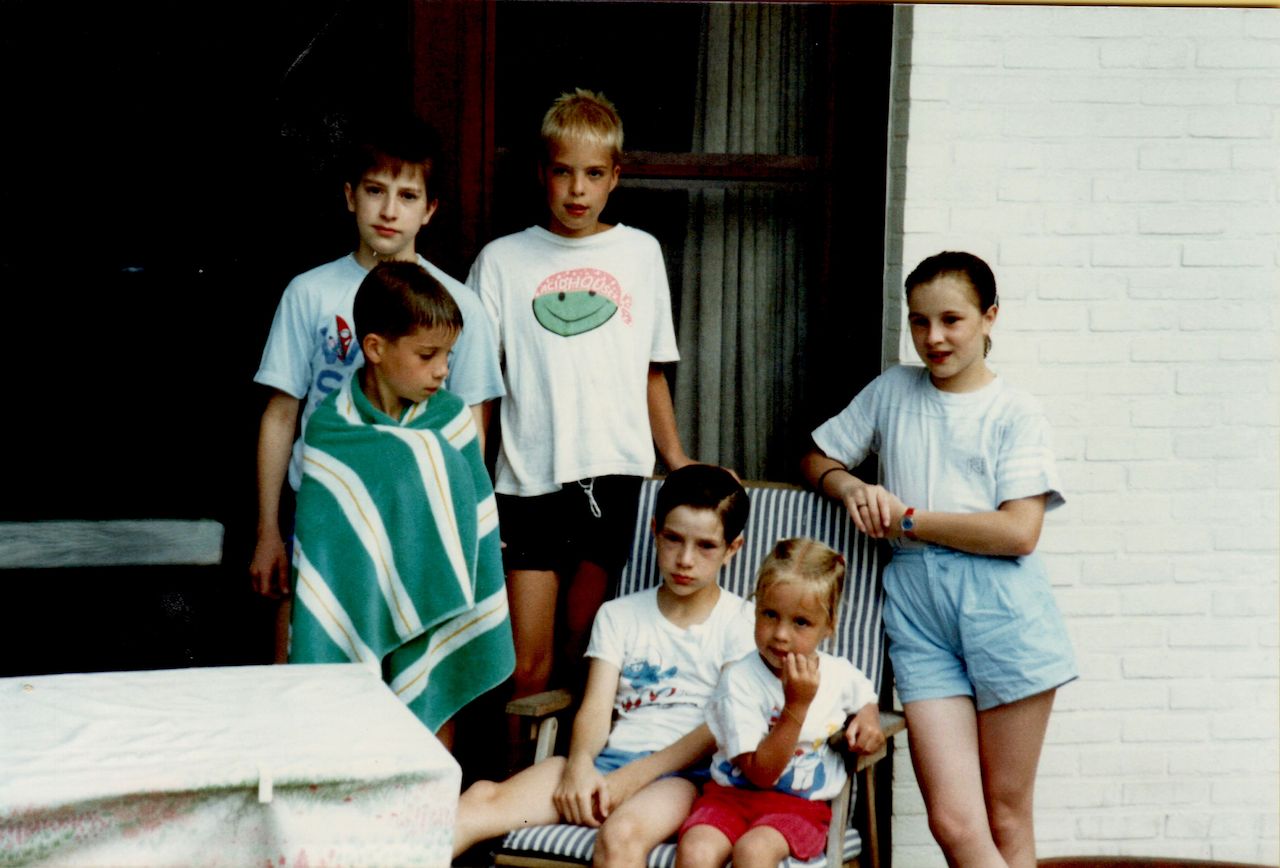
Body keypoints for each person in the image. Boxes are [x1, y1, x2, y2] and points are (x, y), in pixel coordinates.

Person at [801, 251, 1077, 868]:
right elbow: (817, 457)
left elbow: (1019, 531)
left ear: (990, 317)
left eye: (951, 319)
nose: (934, 337)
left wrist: (909, 520)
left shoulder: (1015, 411)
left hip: (1003, 610)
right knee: (954, 821)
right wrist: (851, 487)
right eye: (919, 322)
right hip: (919, 614)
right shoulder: (894, 390)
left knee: (1006, 815)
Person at [466, 88, 696, 703]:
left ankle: (571, 776)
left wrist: (675, 458)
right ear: (543, 172)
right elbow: (481, 390)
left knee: (582, 646)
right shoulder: (502, 261)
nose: (577, 190)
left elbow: (651, 369)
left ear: (615, 176)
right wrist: (469, 474)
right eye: (564, 172)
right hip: (527, 480)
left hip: (612, 475)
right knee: (527, 665)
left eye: (593, 174)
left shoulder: (640, 253)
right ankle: (514, 789)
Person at [251, 114, 504, 661]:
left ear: (430, 209)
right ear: (350, 196)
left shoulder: (460, 306)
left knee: (413, 665)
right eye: (375, 191)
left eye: (408, 195)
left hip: (418, 510)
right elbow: (280, 415)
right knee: (301, 660)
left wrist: (465, 526)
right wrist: (269, 528)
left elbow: (472, 428)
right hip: (320, 503)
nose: (390, 210)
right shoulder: (310, 292)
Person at [453, 465, 752, 868]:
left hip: (682, 779)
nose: (685, 560)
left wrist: (636, 776)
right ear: (654, 529)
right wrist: (578, 767)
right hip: (605, 765)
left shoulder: (743, 623)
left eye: (705, 547)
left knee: (621, 835)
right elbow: (595, 707)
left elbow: (721, 725)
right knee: (479, 801)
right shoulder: (620, 615)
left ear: (733, 549)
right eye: (673, 539)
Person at [287, 261, 514, 751]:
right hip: (358, 604)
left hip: (438, 611)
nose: (443, 370)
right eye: (428, 355)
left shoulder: (452, 419)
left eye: (448, 355)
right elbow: (327, 552)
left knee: (431, 696)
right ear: (375, 348)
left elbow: (473, 520)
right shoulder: (331, 431)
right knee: (351, 733)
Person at [676, 538, 884, 868]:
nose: (781, 635)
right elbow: (760, 774)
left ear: (828, 626)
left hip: (798, 807)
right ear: (755, 608)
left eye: (800, 622)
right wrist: (797, 706)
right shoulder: (740, 680)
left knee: (754, 851)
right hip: (729, 798)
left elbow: (866, 697)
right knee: (696, 850)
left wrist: (869, 719)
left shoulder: (838, 674)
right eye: (770, 615)